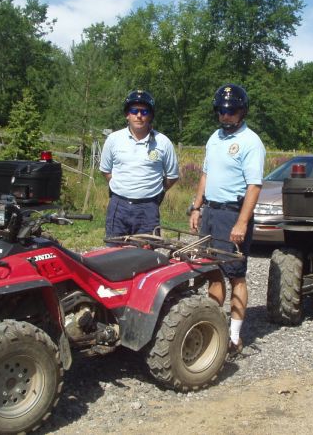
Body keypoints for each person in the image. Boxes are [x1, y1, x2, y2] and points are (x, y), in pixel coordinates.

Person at [188, 84, 265, 357]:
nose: (225, 115)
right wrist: (196, 208)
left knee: (236, 276)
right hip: (210, 212)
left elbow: (254, 186)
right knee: (211, 271)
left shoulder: (250, 142)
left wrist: (242, 223)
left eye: (231, 110)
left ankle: (234, 338)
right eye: (221, 110)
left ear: (242, 111)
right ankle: (212, 328)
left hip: (233, 214)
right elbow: (205, 176)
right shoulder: (214, 138)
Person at [100, 90, 179, 238]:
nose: (139, 115)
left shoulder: (163, 142)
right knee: (113, 255)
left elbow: (172, 176)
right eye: (134, 110)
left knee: (145, 256)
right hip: (118, 206)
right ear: (127, 114)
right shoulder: (113, 139)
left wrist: (154, 191)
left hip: (148, 208)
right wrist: (122, 186)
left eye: (144, 111)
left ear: (150, 115)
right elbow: (106, 171)